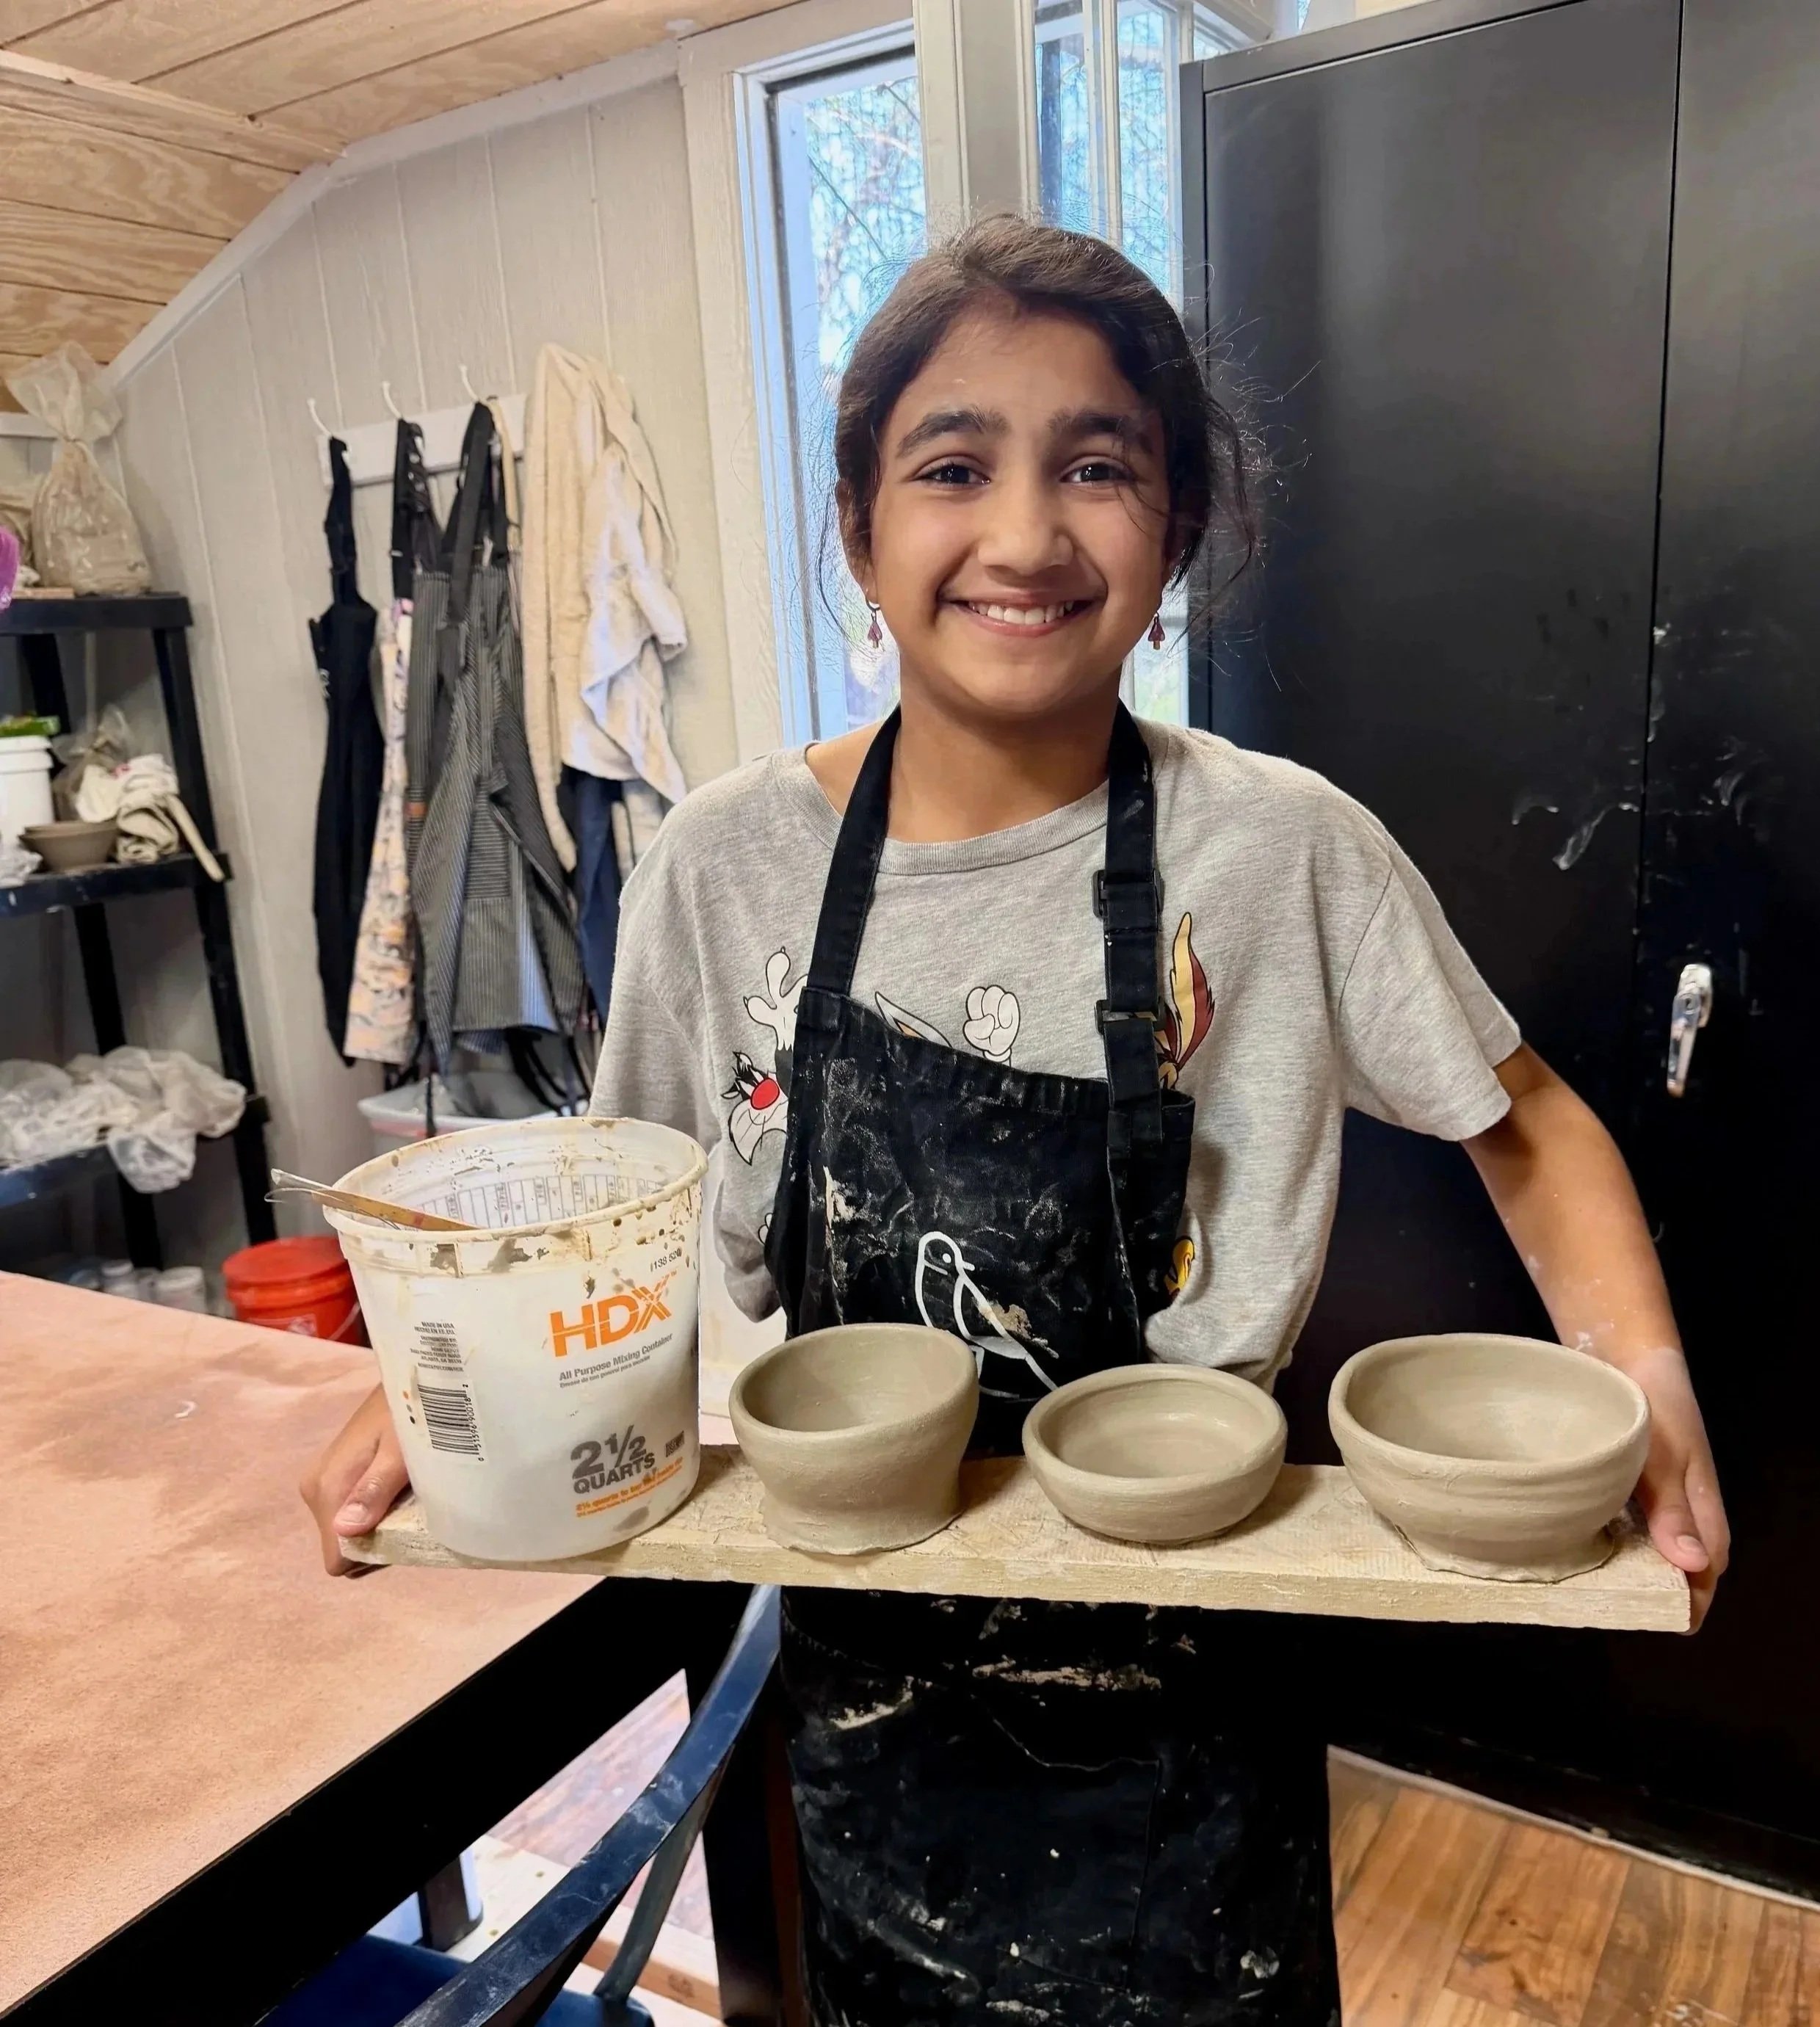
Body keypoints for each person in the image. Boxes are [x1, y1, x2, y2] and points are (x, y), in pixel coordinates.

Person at [302, 216, 1729, 2024]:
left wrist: (1645, 1374)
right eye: (952, 466)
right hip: (862, 1681)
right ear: (860, 525)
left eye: (1099, 467)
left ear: (1180, 527)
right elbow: (613, 1217)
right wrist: (447, 1391)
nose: (1026, 533)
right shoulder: (724, 868)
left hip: (1191, 1714)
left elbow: (1523, 1122)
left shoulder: (1276, 849)